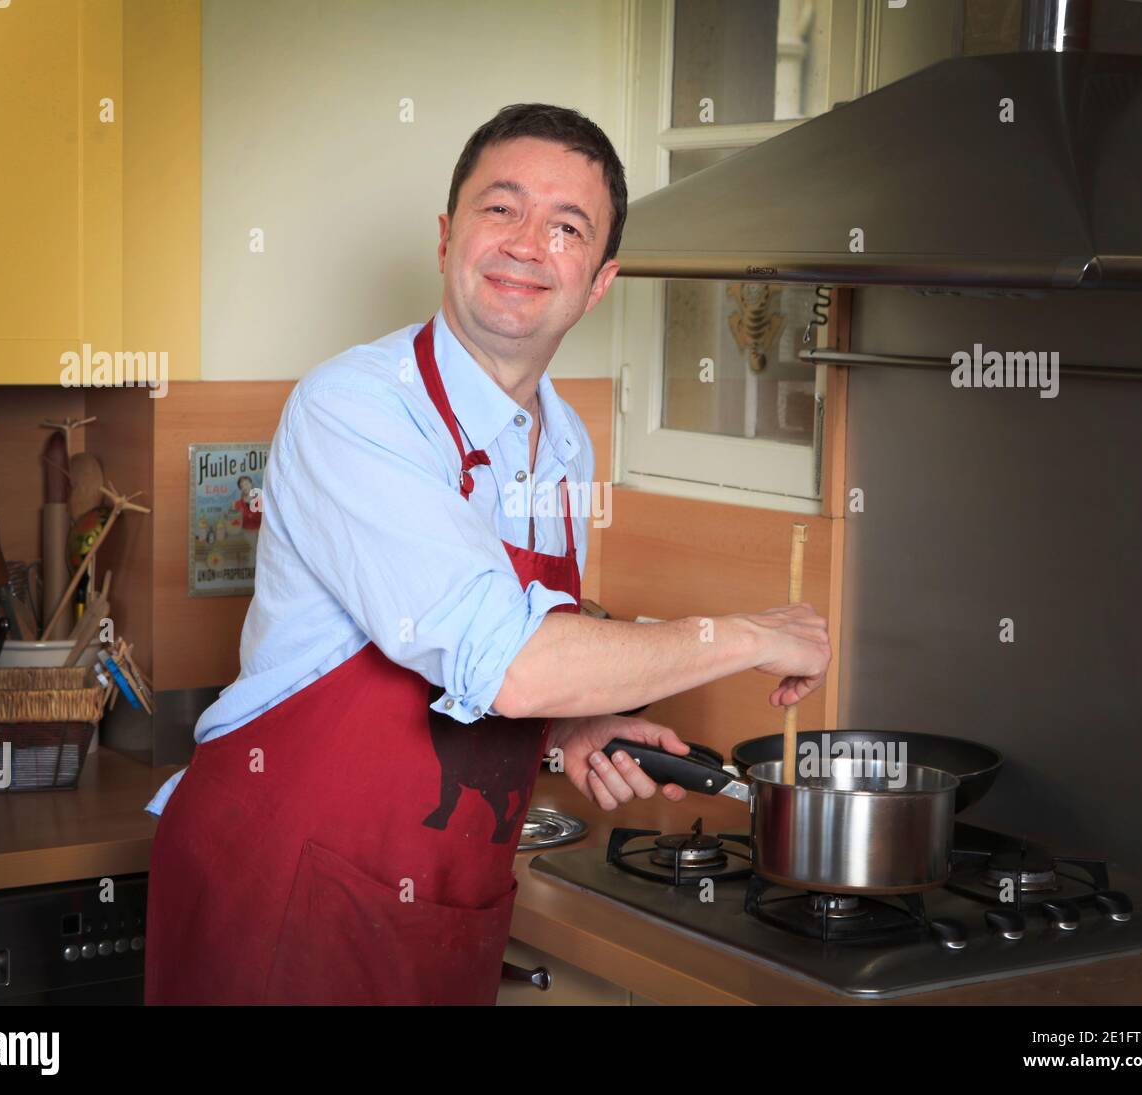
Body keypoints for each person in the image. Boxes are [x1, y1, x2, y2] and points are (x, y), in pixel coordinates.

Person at [143, 103, 830, 1005]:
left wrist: (569, 726)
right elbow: (506, 662)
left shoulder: (568, 445)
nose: (526, 243)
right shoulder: (356, 409)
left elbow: (511, 650)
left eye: (567, 226)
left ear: (598, 282)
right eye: (500, 208)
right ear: (446, 237)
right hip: (283, 903)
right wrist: (746, 634)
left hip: (441, 905)